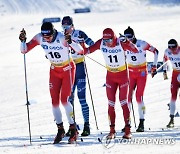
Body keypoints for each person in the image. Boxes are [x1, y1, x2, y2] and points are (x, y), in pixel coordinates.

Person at [19, 22, 83, 144]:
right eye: (45, 37)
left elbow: (80, 51)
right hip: (54, 71)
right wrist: (22, 41)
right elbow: (24, 50)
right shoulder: (40, 37)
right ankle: (60, 129)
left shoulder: (61, 37)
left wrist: (70, 42)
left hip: (67, 69)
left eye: (48, 37)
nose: (46, 39)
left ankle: (73, 128)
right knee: (54, 102)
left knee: (64, 100)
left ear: (53, 33)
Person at [83, 28, 139, 139]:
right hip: (110, 77)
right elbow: (85, 51)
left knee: (123, 103)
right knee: (111, 104)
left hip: (123, 76)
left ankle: (128, 130)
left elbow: (135, 50)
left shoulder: (120, 42)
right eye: (105, 41)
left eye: (109, 41)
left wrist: (127, 41)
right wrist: (77, 43)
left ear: (114, 38)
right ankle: (112, 131)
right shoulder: (101, 43)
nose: (107, 43)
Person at [61, 16, 94, 136]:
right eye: (63, 26)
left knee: (82, 98)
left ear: (72, 25)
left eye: (67, 26)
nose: (65, 29)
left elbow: (91, 43)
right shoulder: (61, 36)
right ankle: (72, 126)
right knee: (69, 99)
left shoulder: (79, 33)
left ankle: (86, 125)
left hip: (79, 67)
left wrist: (87, 46)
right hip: (68, 69)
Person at [123, 26, 159, 132]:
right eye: (126, 37)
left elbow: (156, 51)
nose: (128, 39)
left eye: (129, 36)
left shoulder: (142, 43)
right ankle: (127, 123)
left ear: (134, 36)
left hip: (142, 73)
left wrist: (154, 66)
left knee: (139, 97)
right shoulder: (124, 45)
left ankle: (141, 122)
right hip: (130, 73)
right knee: (127, 98)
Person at [163, 39, 180, 128]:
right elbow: (165, 59)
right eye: (170, 47)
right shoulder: (167, 51)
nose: (172, 49)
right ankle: (171, 119)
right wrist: (164, 72)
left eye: (174, 47)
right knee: (173, 96)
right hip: (175, 74)